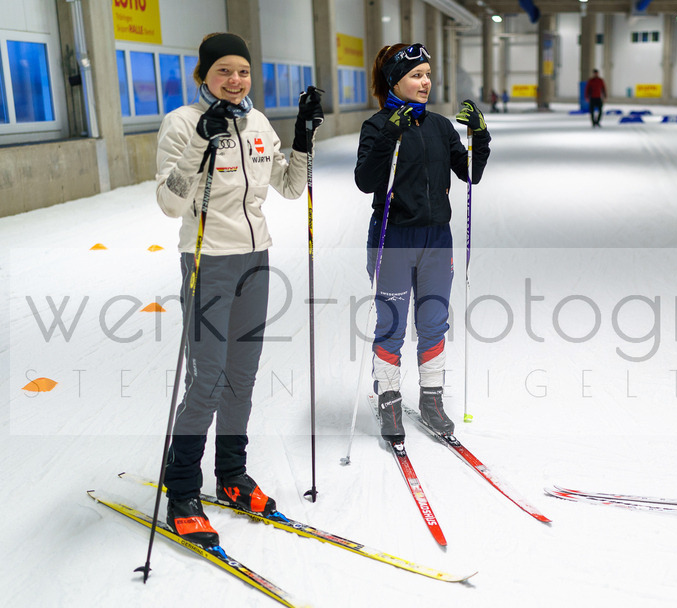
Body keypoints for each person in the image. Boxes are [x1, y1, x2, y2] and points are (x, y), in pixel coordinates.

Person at [155, 32, 323, 546]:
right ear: (202, 75)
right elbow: (169, 201)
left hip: (256, 260)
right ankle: (182, 485)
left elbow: (291, 187)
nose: (234, 80)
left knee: (242, 374)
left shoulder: (256, 123)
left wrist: (304, 137)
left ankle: (230, 475)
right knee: (206, 377)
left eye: (243, 71)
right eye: (224, 70)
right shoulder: (182, 122)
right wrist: (201, 143)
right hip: (207, 260)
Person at [355, 43, 490, 443]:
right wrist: (389, 136)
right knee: (392, 324)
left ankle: (431, 400)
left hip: (436, 239)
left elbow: (469, 174)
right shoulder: (378, 126)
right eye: (416, 75)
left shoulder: (439, 127)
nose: (425, 81)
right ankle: (390, 400)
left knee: (433, 323)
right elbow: (365, 181)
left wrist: (479, 138)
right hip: (392, 237)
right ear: (395, 80)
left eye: (428, 74)